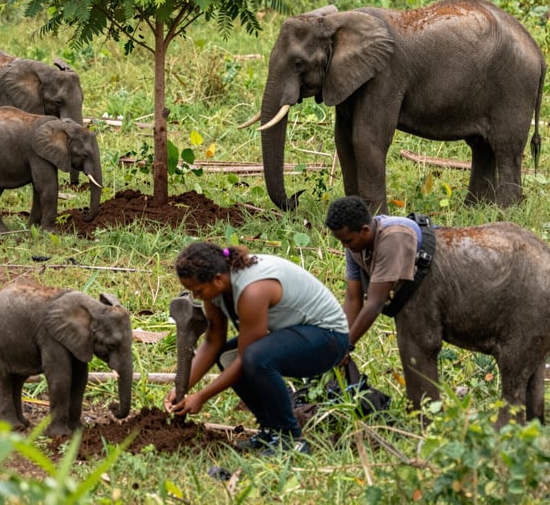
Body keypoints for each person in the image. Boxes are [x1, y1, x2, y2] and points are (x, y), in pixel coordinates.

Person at [164, 241, 349, 455]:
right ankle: (271, 429)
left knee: (256, 358)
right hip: (298, 334)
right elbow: (213, 343)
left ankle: (290, 438)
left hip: (329, 339)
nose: (196, 297)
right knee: (226, 356)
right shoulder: (217, 288)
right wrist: (182, 386)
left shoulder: (252, 290)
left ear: (217, 279)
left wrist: (202, 397)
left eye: (198, 291)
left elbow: (247, 357)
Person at [324, 195, 429, 355]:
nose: (344, 246)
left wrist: (347, 347)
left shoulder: (392, 238)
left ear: (365, 230)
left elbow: (375, 302)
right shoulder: (354, 247)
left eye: (347, 241)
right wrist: (338, 342)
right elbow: (353, 299)